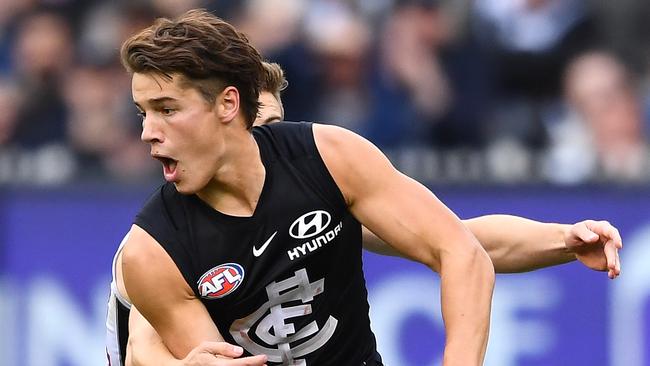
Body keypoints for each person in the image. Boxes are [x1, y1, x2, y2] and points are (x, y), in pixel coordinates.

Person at [113, 10, 621, 366]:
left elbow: (459, 244)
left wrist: (562, 240)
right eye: (145, 112)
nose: (146, 134)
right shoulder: (153, 250)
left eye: (165, 110)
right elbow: (141, 347)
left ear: (230, 107)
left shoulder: (327, 162)